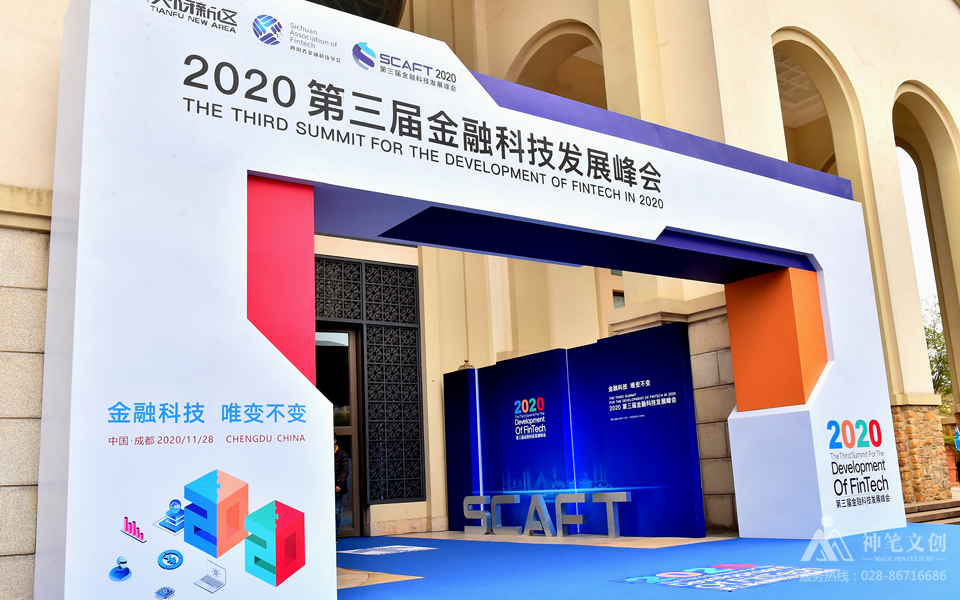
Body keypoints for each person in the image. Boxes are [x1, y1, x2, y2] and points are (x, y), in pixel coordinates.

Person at [334, 434, 350, 538]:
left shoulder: (342, 454)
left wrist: (339, 484)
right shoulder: (322, 452)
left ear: (335, 441)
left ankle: (335, 534)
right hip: (324, 488)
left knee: (337, 511)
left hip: (337, 488)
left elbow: (344, 471)